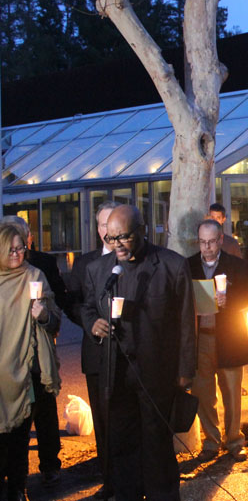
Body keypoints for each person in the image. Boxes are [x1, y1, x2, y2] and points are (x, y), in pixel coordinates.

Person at [81, 205, 195, 500]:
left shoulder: (172, 265)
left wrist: (186, 370)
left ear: (142, 230)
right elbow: (88, 307)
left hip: (156, 372)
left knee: (157, 444)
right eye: (111, 238)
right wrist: (93, 323)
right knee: (122, 444)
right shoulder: (99, 270)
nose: (117, 244)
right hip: (116, 373)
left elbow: (186, 321)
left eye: (124, 237)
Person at [0, 214, 66, 486]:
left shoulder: (35, 275)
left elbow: (55, 320)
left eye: (21, 248)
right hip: (2, 370)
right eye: (11, 249)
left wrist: (43, 316)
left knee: (21, 432)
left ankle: (19, 487)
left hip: (30, 369)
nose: (17, 254)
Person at [67, 200, 119, 499]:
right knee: (102, 419)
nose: (107, 229)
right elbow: (73, 302)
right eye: (102, 224)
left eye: (112, 223)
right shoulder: (85, 263)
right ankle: (109, 479)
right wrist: (90, 323)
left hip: (129, 354)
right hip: (96, 352)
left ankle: (132, 477)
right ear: (97, 229)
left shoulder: (133, 258)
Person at [188, 219, 248, 462]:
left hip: (229, 335)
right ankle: (211, 441)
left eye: (212, 242)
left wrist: (230, 301)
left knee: (232, 391)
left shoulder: (237, 265)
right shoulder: (189, 265)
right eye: (202, 242)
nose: (207, 247)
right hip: (201, 337)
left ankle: (234, 440)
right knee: (203, 392)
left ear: (221, 240)